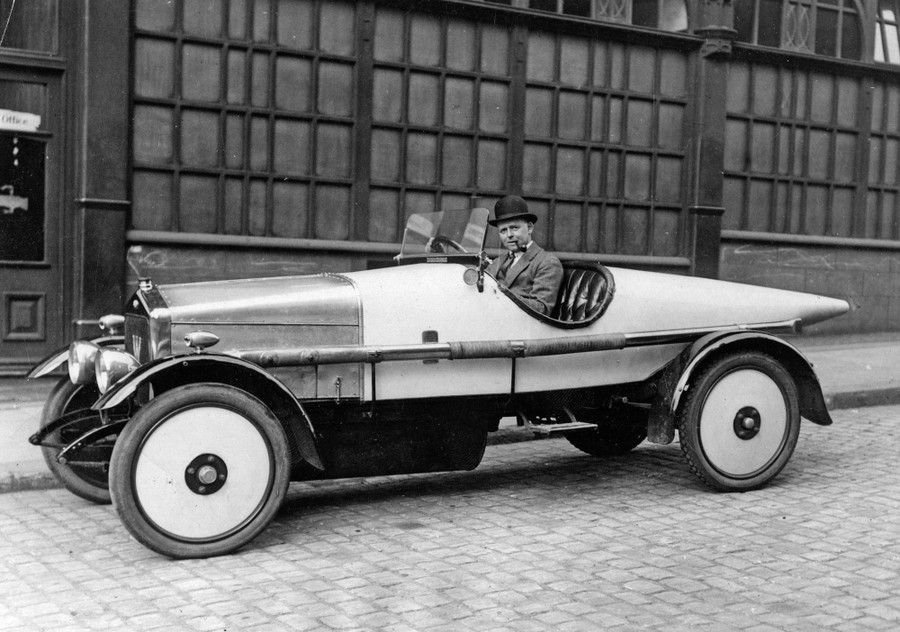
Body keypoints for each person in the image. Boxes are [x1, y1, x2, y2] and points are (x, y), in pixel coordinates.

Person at [485, 195, 563, 315]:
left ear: (530, 228)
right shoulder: (497, 262)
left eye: (514, 228)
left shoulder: (547, 262)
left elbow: (542, 308)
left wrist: (503, 294)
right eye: (503, 230)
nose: (509, 235)